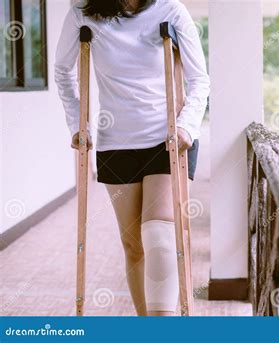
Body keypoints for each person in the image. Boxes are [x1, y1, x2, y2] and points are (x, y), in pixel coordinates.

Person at [54, 0, 210, 316]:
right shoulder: (83, 13)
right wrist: (78, 124)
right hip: (116, 143)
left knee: (158, 234)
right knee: (133, 246)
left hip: (168, 139)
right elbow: (62, 70)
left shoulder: (171, 11)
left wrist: (186, 126)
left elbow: (199, 80)